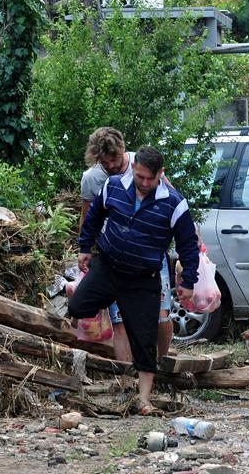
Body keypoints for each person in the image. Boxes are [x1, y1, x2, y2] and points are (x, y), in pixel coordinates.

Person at [70, 146, 199, 414]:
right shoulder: (114, 186)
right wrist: (84, 247)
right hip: (107, 268)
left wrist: (188, 281)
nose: (144, 183)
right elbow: (93, 217)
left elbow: (188, 244)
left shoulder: (174, 203)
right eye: (139, 176)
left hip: (142, 279)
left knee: (143, 339)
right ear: (134, 168)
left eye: (149, 178)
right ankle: (112, 317)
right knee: (78, 307)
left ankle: (143, 399)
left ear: (160, 174)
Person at [79, 128, 174, 365]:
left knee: (161, 316)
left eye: (115, 159)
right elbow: (87, 217)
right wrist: (84, 249)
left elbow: (173, 201)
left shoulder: (142, 165)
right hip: (113, 258)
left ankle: (161, 365)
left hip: (150, 254)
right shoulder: (92, 178)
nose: (111, 165)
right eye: (105, 161)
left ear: (124, 151)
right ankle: (126, 377)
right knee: (120, 321)